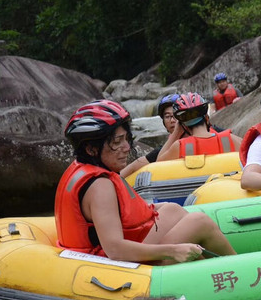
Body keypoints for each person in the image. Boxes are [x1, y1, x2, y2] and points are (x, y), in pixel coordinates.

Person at [55, 99, 236, 263]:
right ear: (91, 149)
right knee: (199, 222)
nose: (126, 148)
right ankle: (238, 269)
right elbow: (115, 250)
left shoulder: (82, 169)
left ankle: (208, 267)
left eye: (126, 139)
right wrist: (173, 251)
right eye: (117, 142)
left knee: (172, 209)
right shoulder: (100, 187)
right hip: (126, 264)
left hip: (131, 245)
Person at [119, 93, 190, 178]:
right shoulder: (162, 150)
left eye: (175, 115)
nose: (172, 120)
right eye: (167, 116)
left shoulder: (198, 137)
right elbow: (136, 165)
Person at [159, 92, 242, 160]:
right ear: (206, 118)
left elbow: (157, 164)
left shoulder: (179, 147)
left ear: (183, 126)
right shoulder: (229, 139)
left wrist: (176, 133)